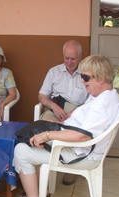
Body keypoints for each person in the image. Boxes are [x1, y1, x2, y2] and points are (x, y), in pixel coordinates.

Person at [9, 55, 119, 197]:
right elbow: (86, 117)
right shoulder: (106, 95)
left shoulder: (102, 105)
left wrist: (48, 135)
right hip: (79, 145)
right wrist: (69, 119)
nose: (82, 81)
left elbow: (82, 136)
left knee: (22, 150)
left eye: (85, 77)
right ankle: (41, 191)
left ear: (102, 78)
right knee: (29, 137)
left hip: (81, 153)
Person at [37, 40, 89, 186]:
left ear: (80, 57)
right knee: (43, 127)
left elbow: (92, 100)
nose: (69, 62)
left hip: (78, 111)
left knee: (76, 132)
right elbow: (42, 96)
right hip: (56, 109)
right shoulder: (54, 71)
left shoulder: (87, 73)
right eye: (66, 58)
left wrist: (76, 111)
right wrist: (54, 107)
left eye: (73, 58)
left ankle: (70, 167)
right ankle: (46, 166)